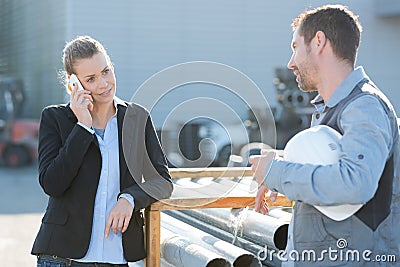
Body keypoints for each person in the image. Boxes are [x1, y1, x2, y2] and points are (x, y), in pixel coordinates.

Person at [250, 5, 399, 266]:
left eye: (295, 47)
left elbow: (355, 183)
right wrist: (279, 164)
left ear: (319, 41)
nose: (290, 62)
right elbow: (335, 158)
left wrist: (277, 172)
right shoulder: (335, 107)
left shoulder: (364, 107)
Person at [31, 35, 173, 266]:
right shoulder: (55, 118)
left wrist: (129, 198)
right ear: (73, 84)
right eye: (91, 79)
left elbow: (162, 181)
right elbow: (52, 183)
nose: (104, 84)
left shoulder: (137, 118)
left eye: (106, 71)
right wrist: (83, 126)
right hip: (61, 257)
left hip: (115, 257)